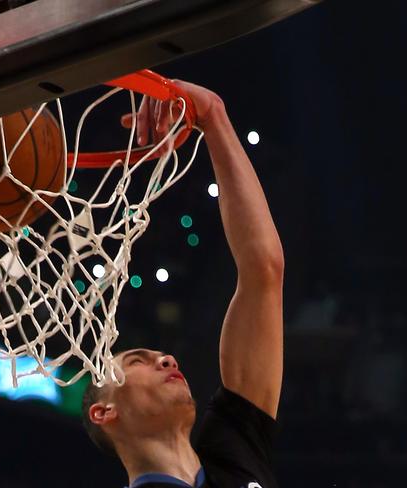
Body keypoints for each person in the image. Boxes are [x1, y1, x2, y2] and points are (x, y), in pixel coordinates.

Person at [82, 79, 285, 488]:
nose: (168, 360)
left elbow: (263, 269)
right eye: (136, 360)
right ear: (104, 412)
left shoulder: (234, 451)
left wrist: (213, 115)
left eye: (159, 356)